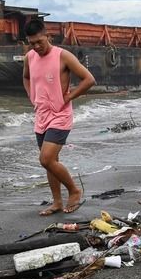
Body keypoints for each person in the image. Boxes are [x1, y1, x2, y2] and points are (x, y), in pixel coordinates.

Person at [22, 18, 96, 215]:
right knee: (51, 162)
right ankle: (56, 202)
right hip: (41, 115)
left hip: (60, 115)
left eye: (40, 41)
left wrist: (69, 97)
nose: (37, 47)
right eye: (32, 43)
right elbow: (26, 77)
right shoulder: (29, 57)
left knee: (46, 159)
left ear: (48, 36)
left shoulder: (63, 56)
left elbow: (89, 79)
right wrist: (32, 96)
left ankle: (74, 190)